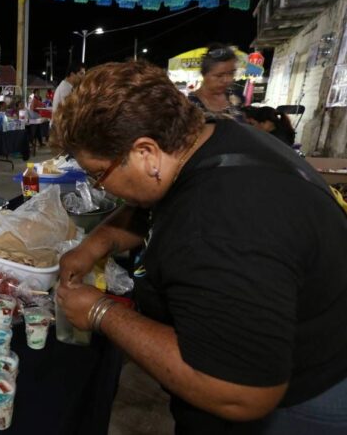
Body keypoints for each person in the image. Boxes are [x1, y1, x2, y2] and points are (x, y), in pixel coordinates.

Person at [54, 61, 347, 434]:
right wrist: (98, 242)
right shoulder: (209, 137)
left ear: (146, 152)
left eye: (98, 174)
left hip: (301, 401)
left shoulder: (220, 226)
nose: (102, 188)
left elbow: (239, 392)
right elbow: (156, 203)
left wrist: (100, 312)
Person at [188, 43, 245, 121]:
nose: (227, 80)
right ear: (204, 74)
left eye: (231, 73)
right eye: (219, 75)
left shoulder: (237, 96)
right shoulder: (189, 106)